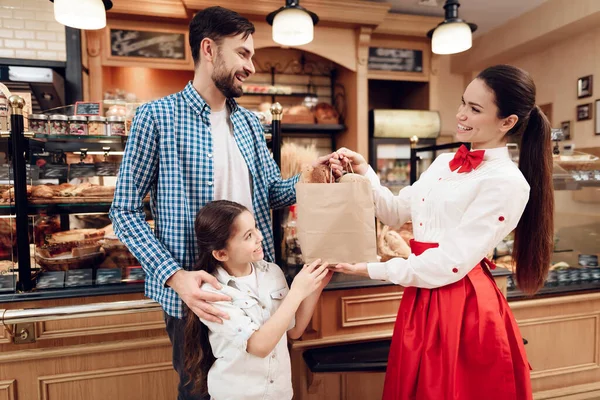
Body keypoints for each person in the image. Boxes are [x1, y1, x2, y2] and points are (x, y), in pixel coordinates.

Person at [109, 7, 337, 399]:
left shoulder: (250, 123)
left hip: (257, 286)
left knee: (260, 386)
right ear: (209, 49)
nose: (251, 65)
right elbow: (123, 211)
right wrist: (176, 277)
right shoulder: (156, 117)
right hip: (196, 298)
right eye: (243, 54)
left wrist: (309, 176)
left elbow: (272, 194)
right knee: (198, 393)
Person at [330, 64, 554, 400]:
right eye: (463, 102)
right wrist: (365, 172)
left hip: (462, 301)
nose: (461, 114)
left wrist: (371, 269)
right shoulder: (442, 163)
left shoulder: (507, 182)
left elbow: (450, 262)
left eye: (475, 109)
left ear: (507, 122)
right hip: (422, 290)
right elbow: (394, 212)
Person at [184, 200, 331, 399]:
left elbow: (293, 330)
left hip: (279, 394)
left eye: (256, 229)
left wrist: (318, 283)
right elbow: (259, 346)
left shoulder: (272, 272)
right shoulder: (212, 293)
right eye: (249, 236)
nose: (260, 237)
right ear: (221, 253)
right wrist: (297, 291)